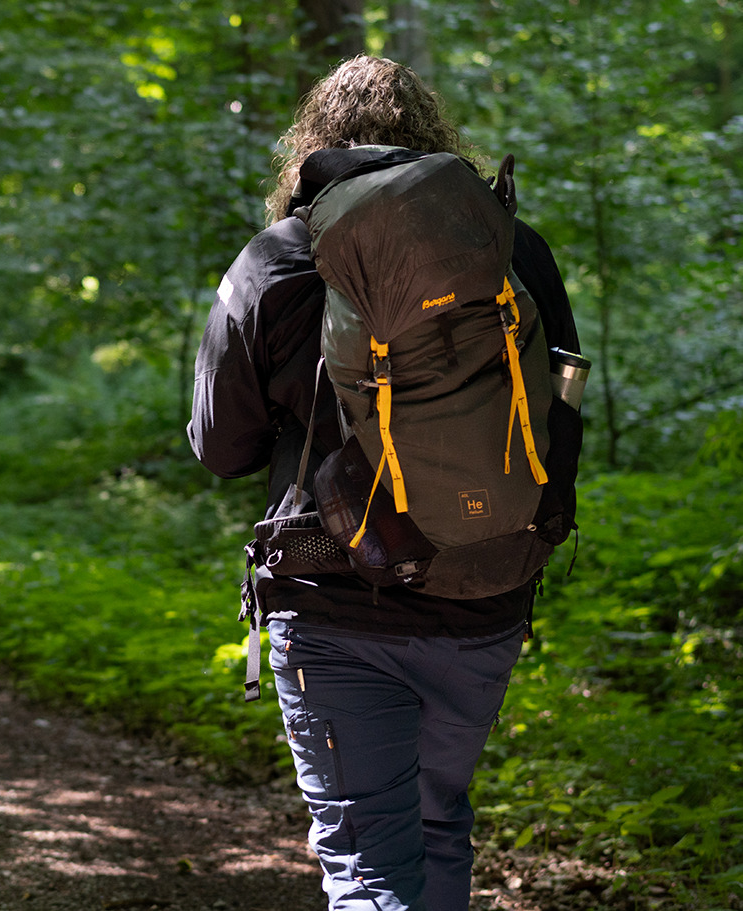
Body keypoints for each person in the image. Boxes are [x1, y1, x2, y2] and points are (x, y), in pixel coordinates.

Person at [188, 56, 580, 911]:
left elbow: (221, 448)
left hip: (334, 599)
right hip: (485, 589)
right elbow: (555, 416)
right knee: (438, 826)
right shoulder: (513, 250)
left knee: (369, 863)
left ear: (312, 149)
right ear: (434, 139)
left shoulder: (280, 259)